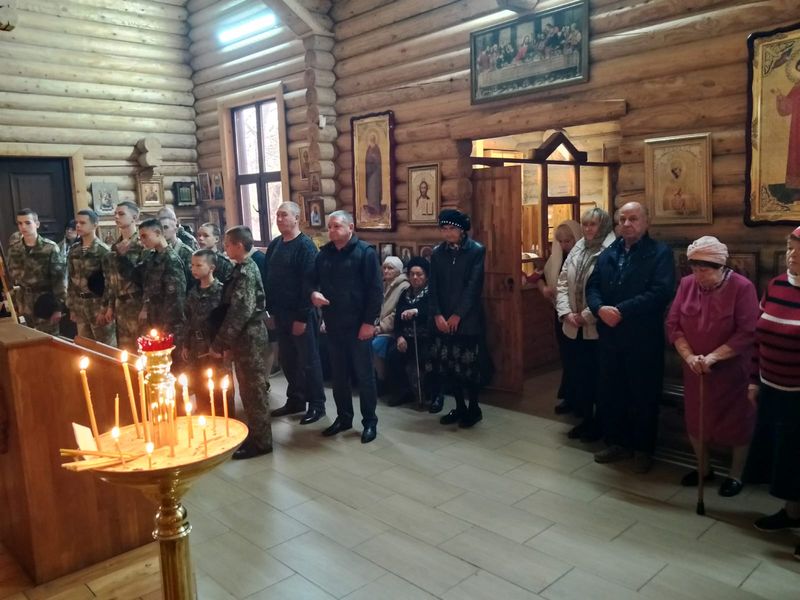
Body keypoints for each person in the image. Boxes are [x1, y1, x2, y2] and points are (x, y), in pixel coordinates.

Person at [666, 236, 759, 497]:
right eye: (693, 269)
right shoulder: (686, 285)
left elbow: (747, 332)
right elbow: (673, 325)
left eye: (703, 270)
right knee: (696, 420)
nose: (697, 276)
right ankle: (703, 468)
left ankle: (736, 475)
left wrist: (713, 358)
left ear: (720, 267)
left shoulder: (742, 288)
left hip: (732, 371)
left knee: (738, 421)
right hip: (695, 370)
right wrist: (690, 357)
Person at [586, 201, 674, 473]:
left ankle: (643, 449)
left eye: (633, 218)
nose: (627, 224)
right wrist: (599, 308)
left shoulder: (659, 253)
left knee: (644, 395)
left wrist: (621, 311)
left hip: (642, 338)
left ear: (646, 222)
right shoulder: (609, 252)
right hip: (611, 337)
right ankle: (617, 443)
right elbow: (593, 286)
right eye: (622, 219)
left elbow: (661, 292)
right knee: (613, 392)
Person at [745, 227, 800, 561]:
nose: (792, 254)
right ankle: (792, 512)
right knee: (786, 459)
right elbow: (759, 337)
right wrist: (754, 380)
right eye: (790, 247)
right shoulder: (776, 285)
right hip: (772, 389)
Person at [310, 210, 382, 443]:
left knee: (364, 375)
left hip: (359, 325)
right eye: (329, 227)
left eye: (337, 226)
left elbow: (375, 291)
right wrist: (314, 293)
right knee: (338, 376)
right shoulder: (324, 255)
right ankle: (343, 417)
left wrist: (369, 323)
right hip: (334, 324)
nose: (332, 231)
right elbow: (311, 281)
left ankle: (369, 422)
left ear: (350, 227)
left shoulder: (365, 253)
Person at [209, 226, 272, 459]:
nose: (224, 248)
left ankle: (261, 442)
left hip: (249, 337)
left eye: (227, 244)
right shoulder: (239, 268)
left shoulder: (246, 271)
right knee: (248, 389)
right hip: (243, 336)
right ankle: (256, 435)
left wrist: (220, 342)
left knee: (253, 390)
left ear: (238, 245)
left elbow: (241, 311)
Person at [427, 209, 492, 428]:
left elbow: (473, 287)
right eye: (444, 229)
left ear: (462, 230)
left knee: (468, 367)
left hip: (468, 319)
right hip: (442, 319)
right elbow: (432, 286)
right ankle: (459, 407)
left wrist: (457, 315)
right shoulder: (437, 253)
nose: (448, 234)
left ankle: (474, 408)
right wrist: (437, 314)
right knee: (449, 366)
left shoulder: (476, 251)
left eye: (452, 229)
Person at [264, 202, 327, 424]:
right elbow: (268, 281)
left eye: (284, 215)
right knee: (288, 360)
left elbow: (309, 285)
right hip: (279, 313)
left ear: (297, 218)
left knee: (308, 361)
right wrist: (269, 312)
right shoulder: (274, 245)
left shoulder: (306, 247)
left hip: (301, 314)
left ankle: (317, 404)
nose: (279, 219)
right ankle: (296, 399)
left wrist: (301, 317)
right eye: (277, 215)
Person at [555, 208, 615, 442]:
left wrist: (587, 315)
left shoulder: (611, 250)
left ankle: (601, 423)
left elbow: (608, 289)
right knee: (580, 376)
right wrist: (566, 312)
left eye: (594, 224)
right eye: (586, 224)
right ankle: (585, 419)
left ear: (604, 226)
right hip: (573, 324)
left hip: (596, 327)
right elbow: (562, 282)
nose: (589, 229)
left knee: (599, 377)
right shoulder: (579, 247)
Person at [532, 220, 582, 414]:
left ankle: (581, 399)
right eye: (560, 241)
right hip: (560, 314)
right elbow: (540, 278)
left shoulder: (582, 257)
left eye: (568, 240)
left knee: (579, 358)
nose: (563, 245)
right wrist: (544, 289)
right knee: (567, 356)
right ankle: (569, 396)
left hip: (578, 314)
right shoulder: (557, 258)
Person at [180, 249, 227, 416]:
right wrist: (186, 344)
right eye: (192, 265)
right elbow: (187, 320)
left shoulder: (222, 291)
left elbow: (226, 322)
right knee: (200, 389)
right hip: (196, 348)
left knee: (219, 391)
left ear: (212, 267)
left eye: (199, 265)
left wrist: (222, 347)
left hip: (214, 348)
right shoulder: (193, 292)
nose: (194, 269)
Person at [386, 257, 437, 409]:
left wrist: (416, 311)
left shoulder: (432, 293)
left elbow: (431, 312)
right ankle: (404, 391)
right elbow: (397, 320)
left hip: (426, 337)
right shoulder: (405, 293)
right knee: (393, 355)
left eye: (419, 274)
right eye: (412, 274)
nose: (415, 277)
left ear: (426, 275)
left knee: (427, 358)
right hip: (407, 337)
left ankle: (431, 394)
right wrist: (399, 336)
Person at [7, 208, 66, 335]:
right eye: (20, 223)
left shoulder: (50, 248)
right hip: (23, 301)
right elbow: (11, 277)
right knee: (28, 340)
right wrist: (14, 303)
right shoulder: (14, 249)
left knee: (50, 340)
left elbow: (59, 280)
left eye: (28, 223)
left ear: (37, 224)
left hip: (45, 300)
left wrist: (58, 307)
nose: (23, 226)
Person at [66, 209, 116, 345]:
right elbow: (71, 280)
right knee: (84, 346)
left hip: (97, 305)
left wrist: (105, 309)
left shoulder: (103, 250)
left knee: (106, 348)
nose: (78, 226)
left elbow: (110, 283)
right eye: (77, 223)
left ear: (94, 225)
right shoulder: (74, 250)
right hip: (80, 306)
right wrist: (72, 307)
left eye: (82, 223)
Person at [104, 201, 147, 351]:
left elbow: (146, 279)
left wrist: (146, 307)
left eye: (121, 214)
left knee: (142, 350)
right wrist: (110, 306)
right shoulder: (115, 246)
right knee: (125, 351)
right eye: (115, 214)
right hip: (120, 305)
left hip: (137, 302)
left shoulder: (141, 244)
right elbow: (111, 279)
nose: (116, 217)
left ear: (134, 217)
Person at [136, 218, 186, 338]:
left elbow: (176, 299)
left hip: (168, 323)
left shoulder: (171, 260)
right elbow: (148, 288)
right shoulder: (152, 257)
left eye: (145, 236)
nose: (142, 241)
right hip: (154, 318)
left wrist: (167, 328)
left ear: (158, 233)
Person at [373, 256, 410, 393]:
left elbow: (396, 313)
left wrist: (380, 327)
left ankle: (382, 381)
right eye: (385, 268)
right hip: (378, 326)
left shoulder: (403, 286)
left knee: (375, 345)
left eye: (390, 268)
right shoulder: (383, 284)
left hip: (392, 330)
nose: (386, 271)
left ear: (398, 270)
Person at [159, 215, 193, 289]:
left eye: (165, 227)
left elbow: (192, 280)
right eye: (160, 228)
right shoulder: (157, 251)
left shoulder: (186, 252)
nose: (162, 231)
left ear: (176, 229)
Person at [364, 134, 382, 215]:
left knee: (374, 190)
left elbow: (378, 160)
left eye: (372, 138)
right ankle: (370, 207)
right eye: (370, 138)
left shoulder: (376, 148)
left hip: (375, 173)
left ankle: (375, 207)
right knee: (370, 190)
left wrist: (373, 158)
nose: (371, 139)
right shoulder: (368, 148)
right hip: (369, 173)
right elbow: (366, 160)